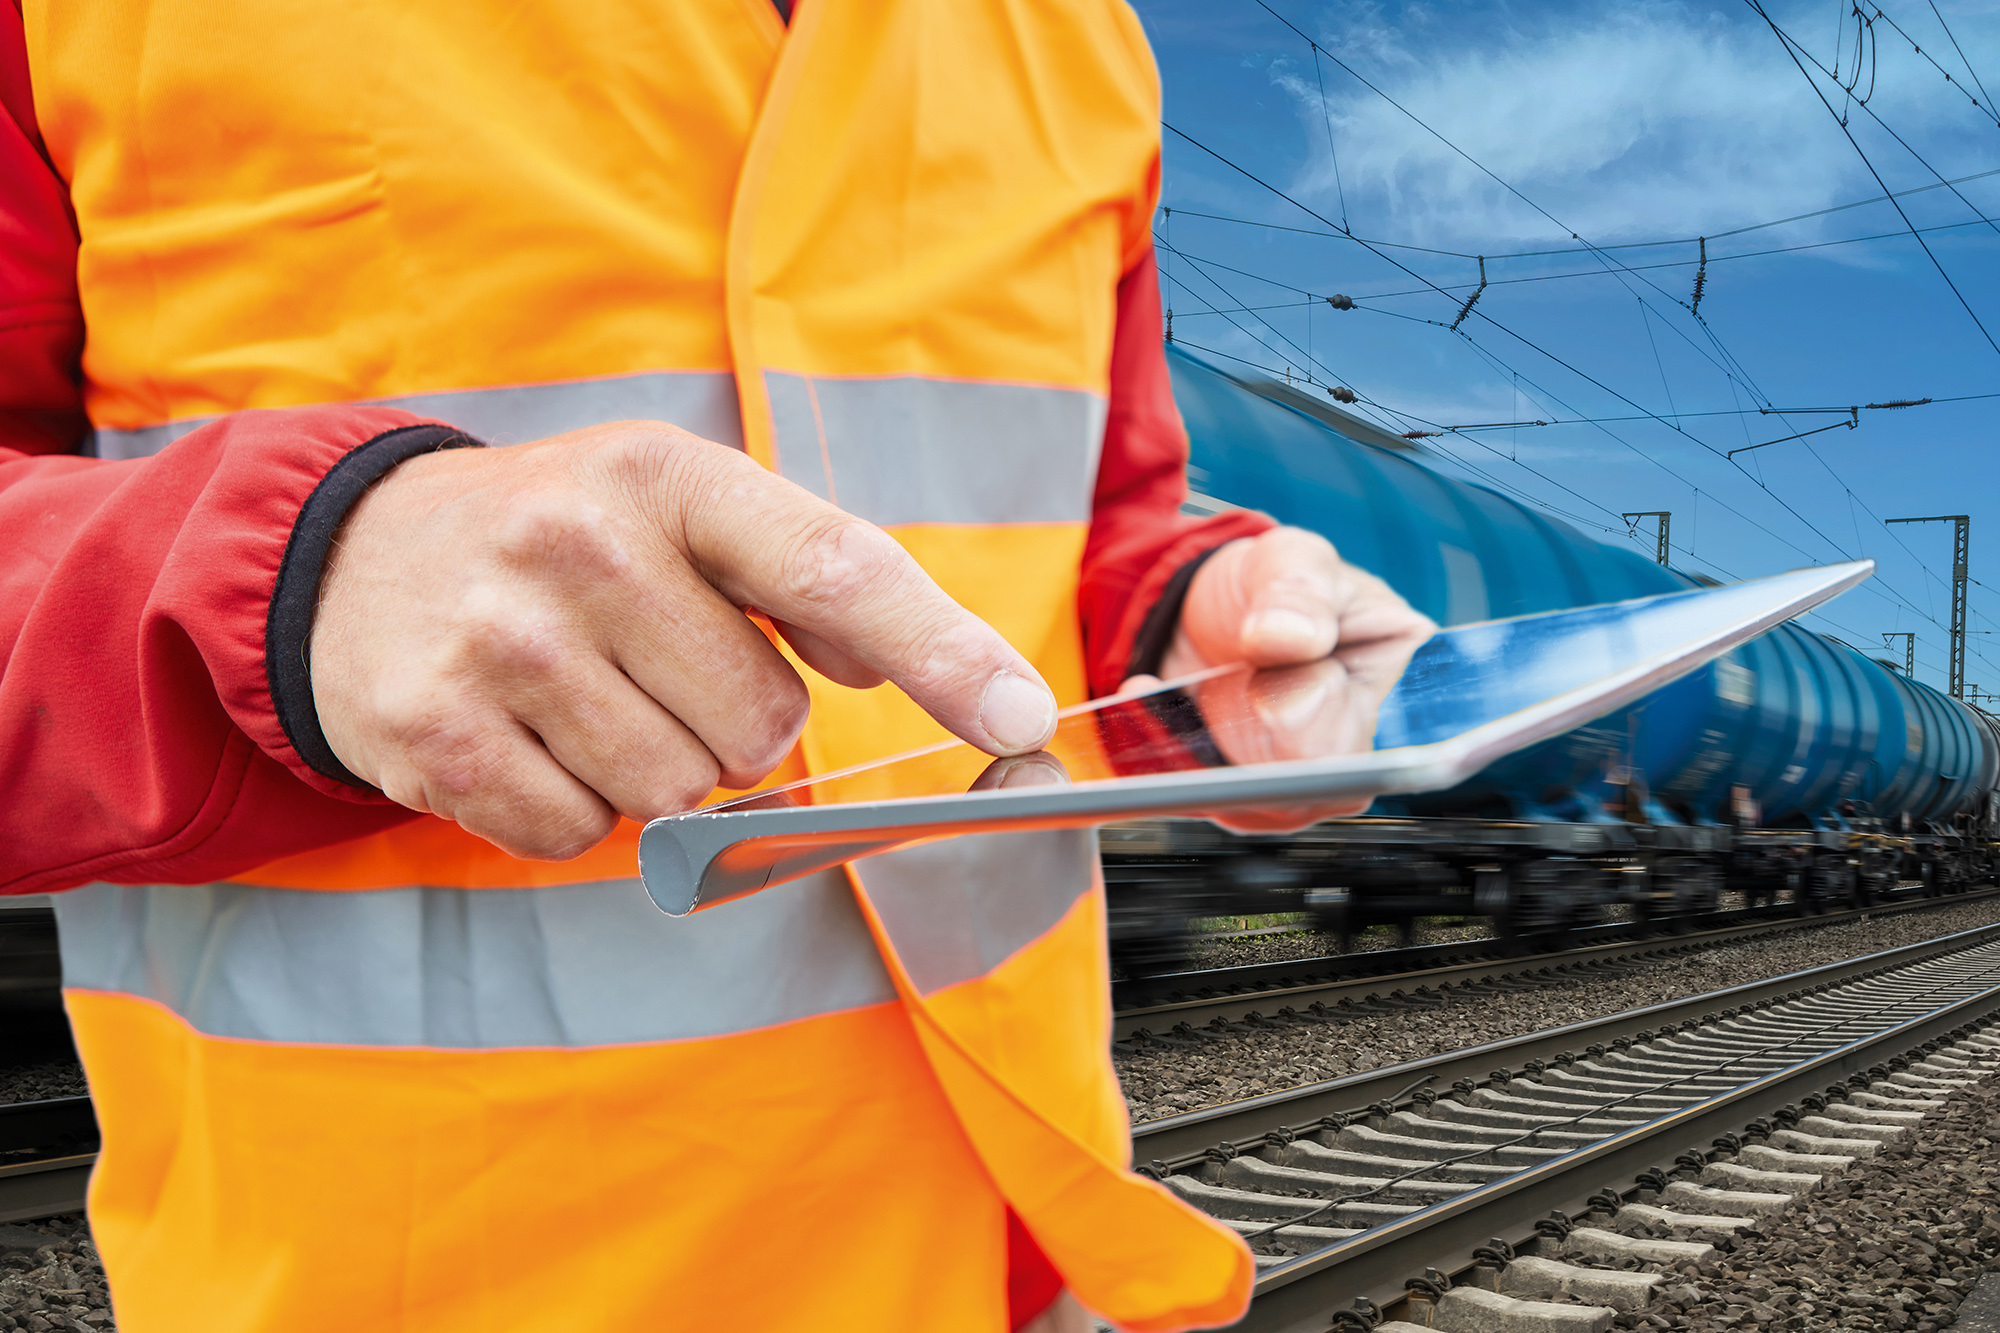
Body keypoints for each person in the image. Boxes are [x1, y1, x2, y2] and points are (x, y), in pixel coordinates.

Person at [0, 1, 1431, 1329]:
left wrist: (1186, 622)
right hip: (417, 1280)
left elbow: (1067, 519)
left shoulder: (1074, 35)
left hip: (1012, 1252)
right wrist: (296, 578)